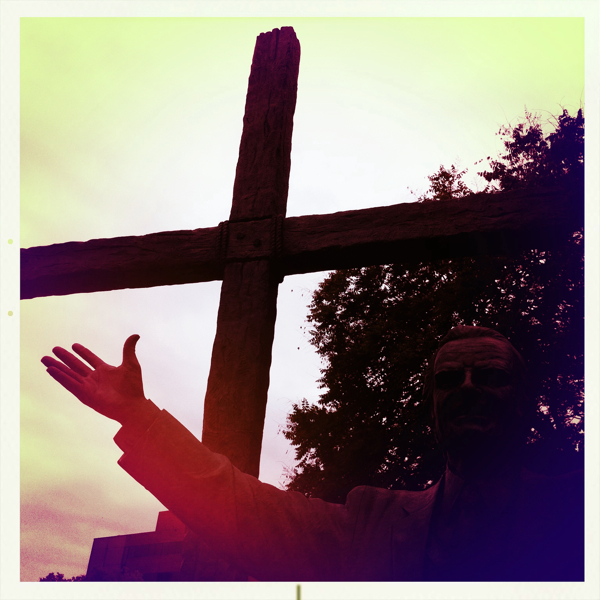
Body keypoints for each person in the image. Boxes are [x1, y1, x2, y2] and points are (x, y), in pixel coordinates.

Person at [41, 326, 584, 581]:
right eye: (448, 379)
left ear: (525, 400)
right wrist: (138, 417)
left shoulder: (578, 514)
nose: (466, 387)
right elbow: (243, 507)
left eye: (488, 376)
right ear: (432, 408)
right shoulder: (373, 521)